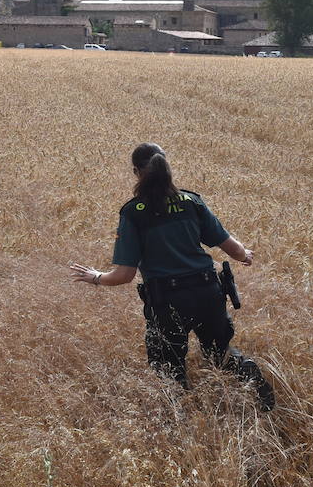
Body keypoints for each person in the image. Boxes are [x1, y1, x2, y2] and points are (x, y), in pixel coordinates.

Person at [69, 143, 275, 411]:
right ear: (166, 166)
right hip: (208, 291)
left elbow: (124, 275)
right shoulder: (191, 202)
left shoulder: (134, 213)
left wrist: (96, 277)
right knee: (219, 354)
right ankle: (246, 370)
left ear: (136, 172)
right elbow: (232, 248)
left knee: (168, 367)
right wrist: (244, 253)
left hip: (168, 301)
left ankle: (181, 423)